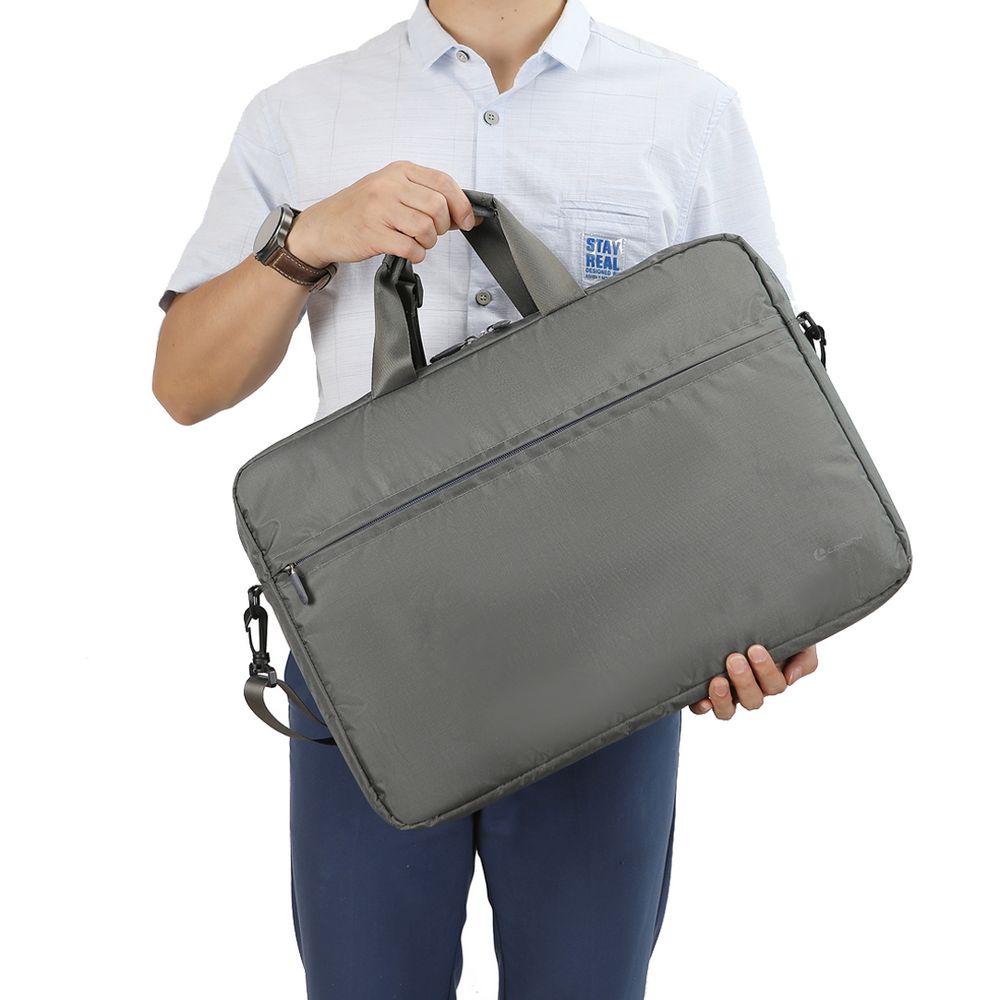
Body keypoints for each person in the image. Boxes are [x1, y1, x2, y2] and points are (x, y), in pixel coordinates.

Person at [153, 1, 820, 996]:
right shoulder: (300, 113)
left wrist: (777, 605)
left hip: (612, 655)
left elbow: (758, 397)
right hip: (370, 666)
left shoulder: (688, 114)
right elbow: (183, 385)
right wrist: (309, 239)